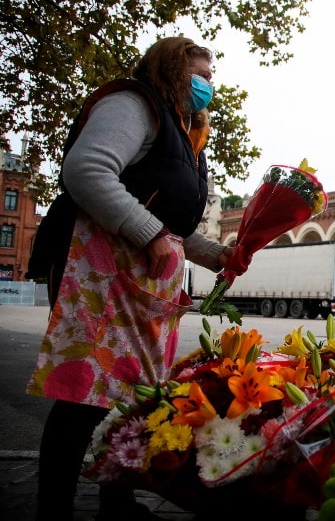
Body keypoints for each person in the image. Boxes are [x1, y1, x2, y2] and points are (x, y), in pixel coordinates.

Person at [25, 36, 232, 521]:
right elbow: (87, 170)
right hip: (98, 269)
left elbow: (170, 222)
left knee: (129, 395)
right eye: (199, 73)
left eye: (212, 76)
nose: (208, 84)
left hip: (138, 281)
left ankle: (116, 505)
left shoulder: (183, 133)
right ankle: (51, 510)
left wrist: (212, 253)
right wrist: (151, 233)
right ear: (171, 69)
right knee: (83, 395)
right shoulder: (134, 104)